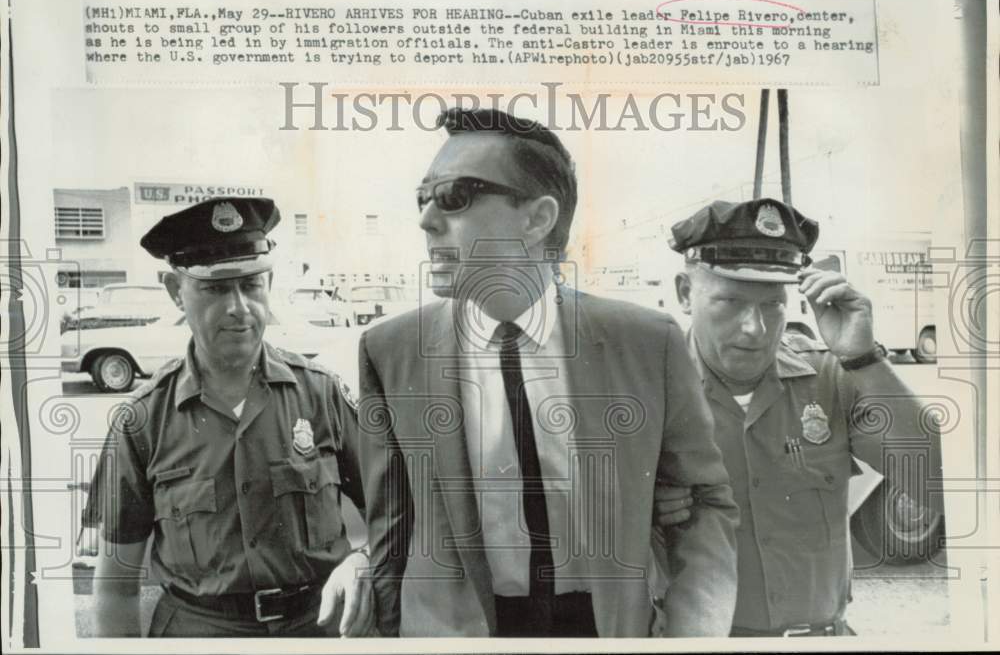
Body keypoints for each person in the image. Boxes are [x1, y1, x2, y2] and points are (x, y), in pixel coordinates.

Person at [357, 108, 740, 637]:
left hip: (603, 628)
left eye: (454, 197)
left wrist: (692, 636)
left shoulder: (648, 342)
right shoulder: (390, 348)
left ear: (537, 219)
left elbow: (703, 507)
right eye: (423, 198)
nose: (426, 220)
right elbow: (390, 532)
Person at [654, 198, 943, 637]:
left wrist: (864, 360)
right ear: (684, 293)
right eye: (730, 301)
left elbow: (939, 486)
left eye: (772, 305)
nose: (755, 328)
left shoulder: (833, 377)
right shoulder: (652, 392)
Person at [90, 197, 373, 637]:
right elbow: (115, 589)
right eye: (216, 288)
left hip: (317, 630)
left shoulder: (322, 394)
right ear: (174, 291)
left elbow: (398, 511)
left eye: (251, 285)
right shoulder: (141, 421)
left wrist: (364, 559)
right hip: (198, 634)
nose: (239, 307)